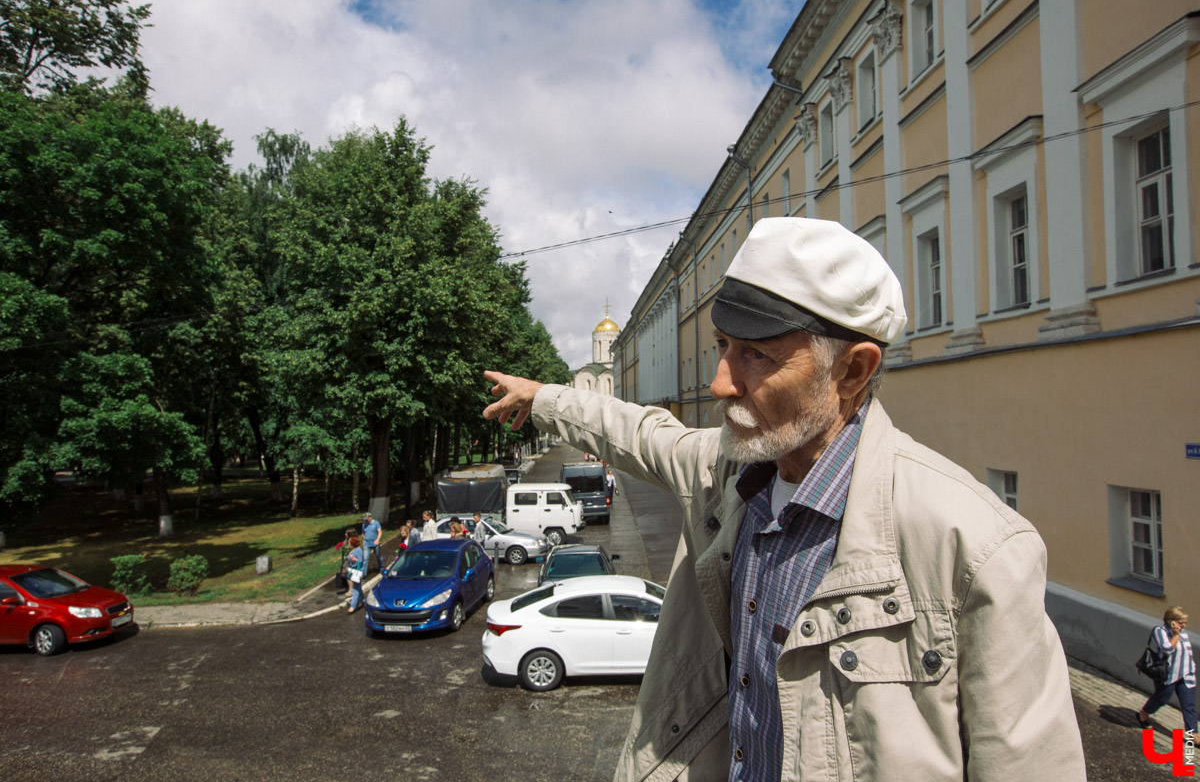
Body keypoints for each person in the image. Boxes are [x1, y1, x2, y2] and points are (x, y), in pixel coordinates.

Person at [483, 217, 1085, 781]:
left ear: (851, 371)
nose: (720, 382)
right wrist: (543, 397)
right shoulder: (728, 471)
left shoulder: (977, 549)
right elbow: (640, 433)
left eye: (757, 355)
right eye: (723, 346)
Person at [1138, 605, 1197, 732]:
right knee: (1161, 699)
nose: (1184, 626)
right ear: (1172, 621)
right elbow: (1167, 649)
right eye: (1181, 623)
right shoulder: (1160, 631)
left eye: (1185, 623)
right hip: (1168, 674)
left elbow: (1187, 652)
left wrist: (1191, 668)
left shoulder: (1183, 633)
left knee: (1189, 706)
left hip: (1186, 674)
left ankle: (1194, 735)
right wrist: (1176, 635)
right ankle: (1143, 713)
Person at [346, 537, 365, 614]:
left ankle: (353, 606)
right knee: (358, 587)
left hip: (357, 571)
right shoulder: (353, 550)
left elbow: (360, 562)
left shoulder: (358, 551)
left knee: (355, 589)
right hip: (352, 570)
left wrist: (354, 559)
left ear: (353, 543)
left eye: (350, 542)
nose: (348, 543)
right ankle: (362, 600)